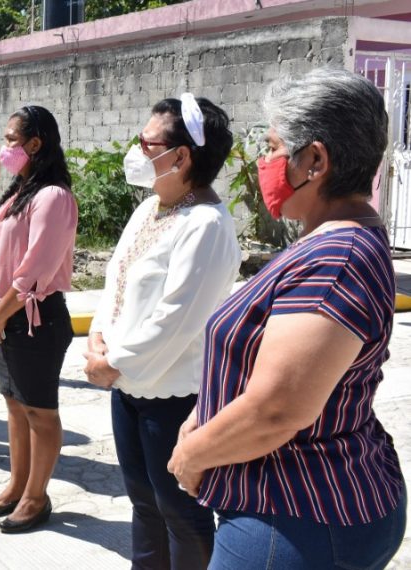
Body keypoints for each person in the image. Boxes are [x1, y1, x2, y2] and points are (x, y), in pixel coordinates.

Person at [168, 68, 406, 570]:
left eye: (274, 147)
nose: (263, 162)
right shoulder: (328, 239)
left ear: (315, 159)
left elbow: (277, 410)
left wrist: (193, 457)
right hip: (296, 506)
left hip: (293, 516)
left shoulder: (337, 259)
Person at [84, 94, 240, 568]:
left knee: (179, 510)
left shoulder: (207, 224)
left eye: (146, 141)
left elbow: (176, 319)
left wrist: (113, 363)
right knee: (142, 501)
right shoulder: (153, 207)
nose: (139, 151)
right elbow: (118, 278)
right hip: (127, 386)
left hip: (171, 395)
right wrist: (97, 336)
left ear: (182, 156)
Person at [0, 105, 76, 533]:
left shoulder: (53, 196)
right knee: (15, 407)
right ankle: (17, 485)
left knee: (40, 412)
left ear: (36, 144)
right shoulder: (19, 192)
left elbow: (36, 268)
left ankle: (37, 497)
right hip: (8, 312)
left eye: (13, 140)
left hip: (35, 317)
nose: (6, 148)